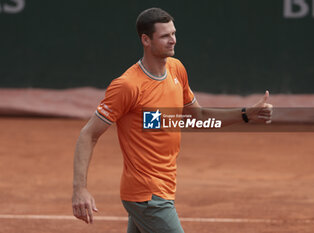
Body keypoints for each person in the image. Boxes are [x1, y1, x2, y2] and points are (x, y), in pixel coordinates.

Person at [72, 7, 273, 233]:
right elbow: (88, 134)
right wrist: (80, 189)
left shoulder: (177, 70)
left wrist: (246, 114)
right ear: (146, 40)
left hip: (162, 188)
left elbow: (200, 116)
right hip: (148, 195)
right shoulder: (128, 86)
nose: (173, 40)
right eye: (165, 36)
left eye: (174, 33)